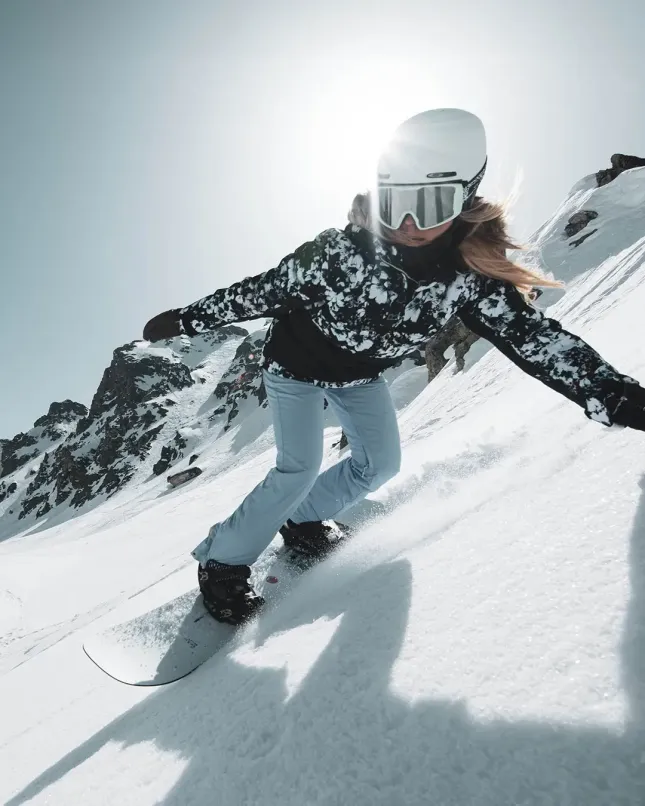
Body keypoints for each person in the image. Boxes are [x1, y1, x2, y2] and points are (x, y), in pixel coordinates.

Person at [143, 108, 645, 625]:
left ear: (465, 199)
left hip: (358, 377)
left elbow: (533, 339)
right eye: (395, 201)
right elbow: (261, 292)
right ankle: (223, 561)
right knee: (298, 467)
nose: (408, 224)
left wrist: (610, 393)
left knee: (379, 464)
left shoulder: (465, 278)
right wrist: (187, 319)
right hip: (293, 368)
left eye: (430, 205)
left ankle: (305, 519)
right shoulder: (339, 253)